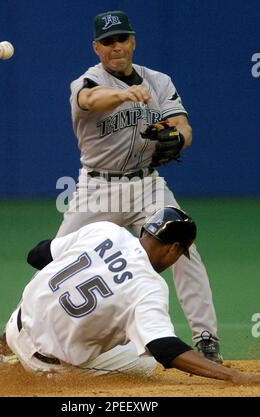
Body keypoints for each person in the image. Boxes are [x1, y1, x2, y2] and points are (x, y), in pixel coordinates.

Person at [54, 10, 222, 362]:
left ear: (132, 41)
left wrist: (177, 138)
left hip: (148, 186)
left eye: (122, 39)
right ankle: (15, 332)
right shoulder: (86, 82)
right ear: (96, 48)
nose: (116, 46)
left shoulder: (158, 81)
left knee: (184, 247)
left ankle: (206, 339)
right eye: (108, 41)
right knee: (58, 261)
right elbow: (90, 101)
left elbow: (182, 125)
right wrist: (124, 95)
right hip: (96, 188)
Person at [3, 207, 259, 384]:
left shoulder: (105, 230)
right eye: (181, 254)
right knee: (144, 360)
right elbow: (164, 349)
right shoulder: (149, 287)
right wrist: (235, 377)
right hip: (47, 367)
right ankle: (25, 365)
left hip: (15, 326)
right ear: (173, 249)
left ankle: (7, 350)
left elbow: (36, 255)